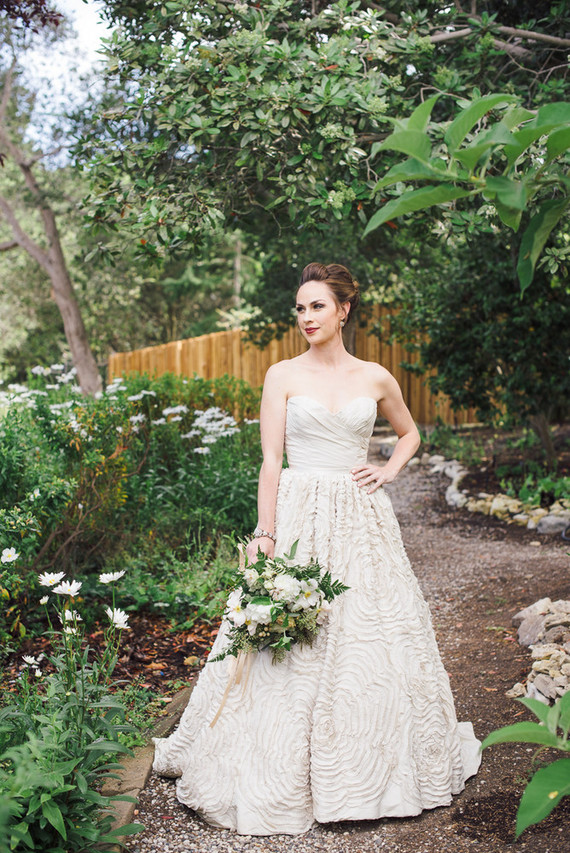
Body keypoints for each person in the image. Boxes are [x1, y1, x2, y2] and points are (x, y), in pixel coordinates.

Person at [153, 262, 481, 836]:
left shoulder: (376, 376)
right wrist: (265, 532)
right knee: (293, 628)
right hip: (301, 511)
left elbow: (410, 433)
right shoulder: (281, 375)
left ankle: (373, 763)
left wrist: (389, 469)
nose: (306, 317)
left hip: (360, 517)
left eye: (317, 307)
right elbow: (271, 460)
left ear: (343, 310)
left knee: (368, 631)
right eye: (300, 309)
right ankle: (280, 767)